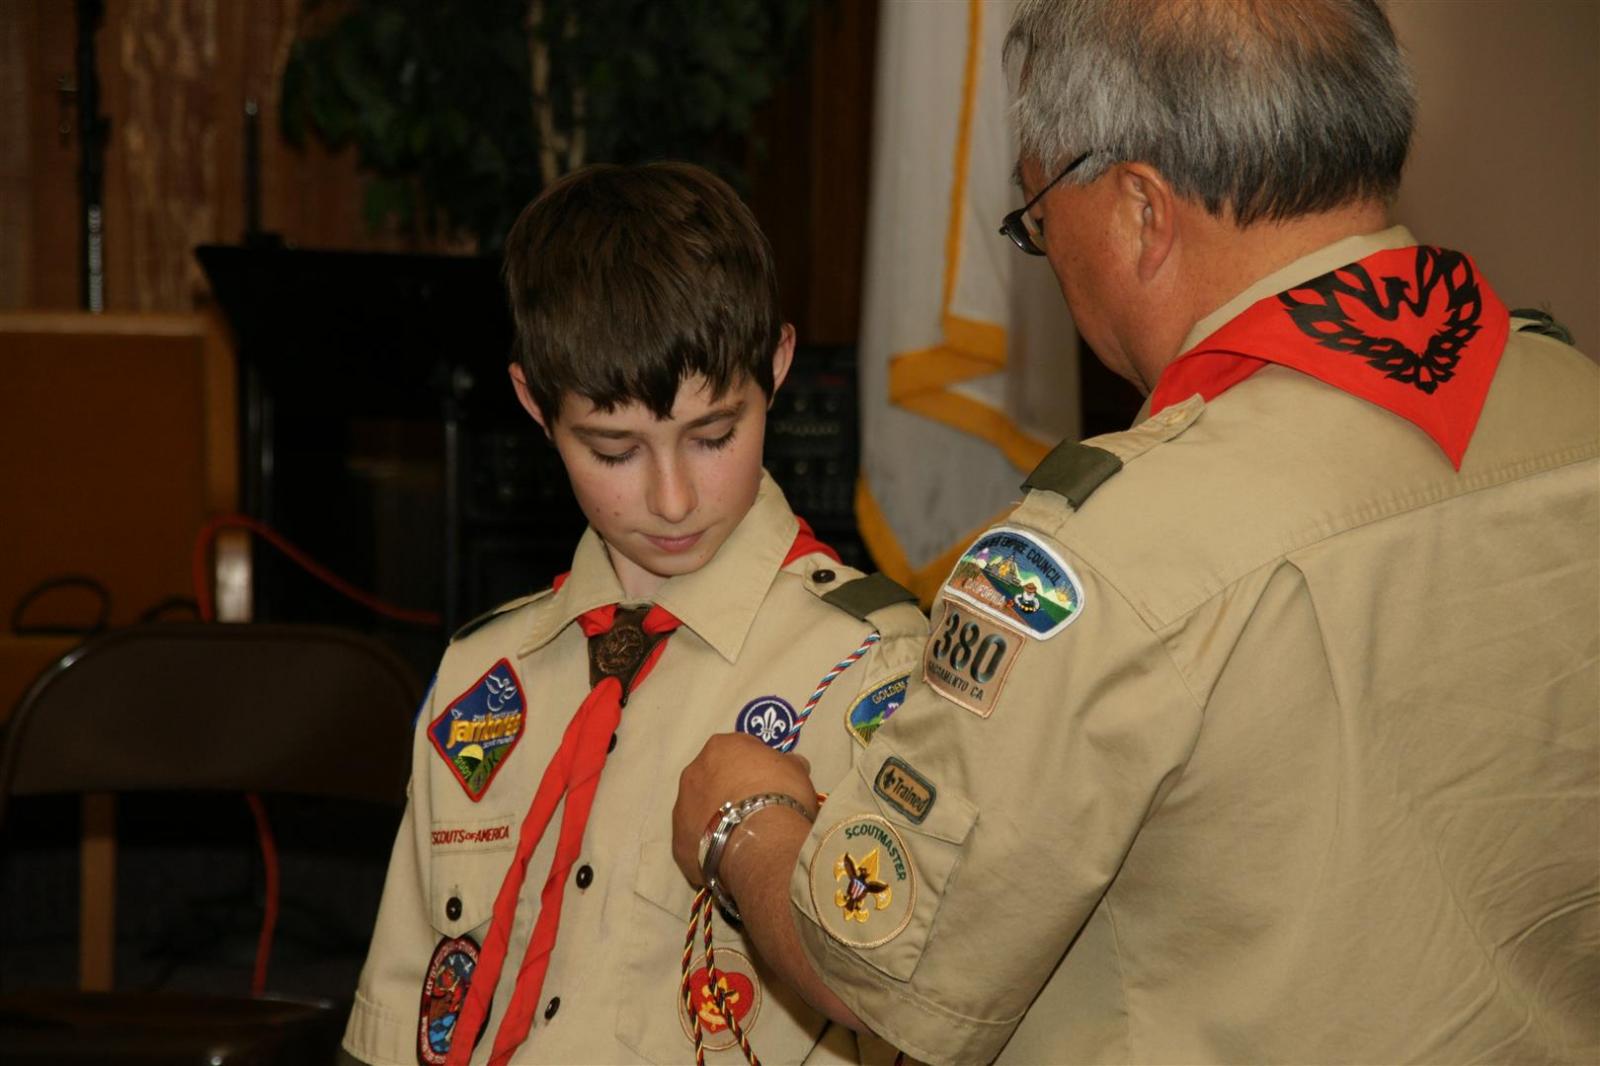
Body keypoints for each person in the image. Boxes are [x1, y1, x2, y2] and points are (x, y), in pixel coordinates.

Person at [671, 1, 1600, 1062]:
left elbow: (883, 958)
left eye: (1035, 219)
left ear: (1140, 212)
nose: (1049, 258)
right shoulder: (1576, 406)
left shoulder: (1100, 556)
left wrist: (742, 823)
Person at [343, 162, 927, 1065]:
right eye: (614, 449)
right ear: (534, 404)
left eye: (714, 435)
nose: (673, 498)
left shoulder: (872, 666)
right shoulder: (482, 678)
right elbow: (398, 1012)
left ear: (777, 366)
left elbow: (914, 998)